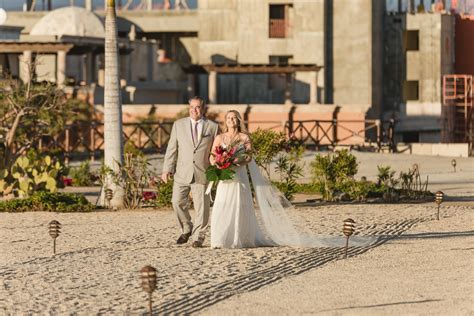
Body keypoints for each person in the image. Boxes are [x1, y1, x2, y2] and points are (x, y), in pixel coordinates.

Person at [210, 110, 378, 249]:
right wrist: (219, 163)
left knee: (240, 205)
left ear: (238, 120)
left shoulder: (244, 138)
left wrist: (237, 161)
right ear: (225, 121)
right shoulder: (220, 138)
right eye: (229, 118)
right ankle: (221, 239)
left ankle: (239, 239)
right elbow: (212, 157)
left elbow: (248, 157)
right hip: (225, 178)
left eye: (234, 118)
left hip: (239, 176)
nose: (231, 120)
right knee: (222, 205)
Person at [161, 96, 219, 248]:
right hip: (182, 172)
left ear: (203, 108)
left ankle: (198, 237)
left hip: (202, 172)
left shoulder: (212, 127)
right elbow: (172, 149)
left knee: (202, 207)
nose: (194, 110)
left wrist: (217, 169)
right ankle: (187, 228)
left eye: (198, 107)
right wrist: (167, 169)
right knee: (176, 202)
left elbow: (216, 150)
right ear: (189, 108)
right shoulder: (178, 125)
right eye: (192, 107)